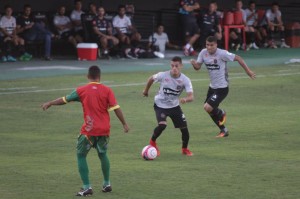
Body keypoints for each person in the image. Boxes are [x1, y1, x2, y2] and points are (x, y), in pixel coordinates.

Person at [41, 65, 129, 197]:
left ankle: (87, 187)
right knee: (103, 154)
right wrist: (124, 124)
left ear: (88, 76)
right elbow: (116, 108)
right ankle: (107, 184)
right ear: (100, 77)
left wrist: (50, 103)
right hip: (104, 130)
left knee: (81, 155)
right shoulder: (107, 90)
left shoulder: (82, 90)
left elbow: (64, 100)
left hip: (89, 130)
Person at [190, 36, 255, 137]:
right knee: (208, 109)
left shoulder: (222, 53)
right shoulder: (203, 53)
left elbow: (238, 58)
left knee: (208, 107)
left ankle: (221, 112)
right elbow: (198, 67)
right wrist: (194, 64)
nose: (209, 47)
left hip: (222, 87)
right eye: (207, 45)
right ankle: (223, 130)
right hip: (212, 87)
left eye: (211, 45)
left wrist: (248, 71)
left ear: (216, 45)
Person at [143, 56, 194, 156]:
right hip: (160, 105)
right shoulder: (163, 75)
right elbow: (151, 79)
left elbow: (191, 97)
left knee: (185, 129)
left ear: (181, 66)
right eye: (172, 65)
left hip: (174, 106)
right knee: (162, 125)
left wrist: (185, 99)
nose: (174, 68)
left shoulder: (185, 80)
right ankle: (152, 142)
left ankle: (185, 149)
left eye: (176, 66)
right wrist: (146, 91)